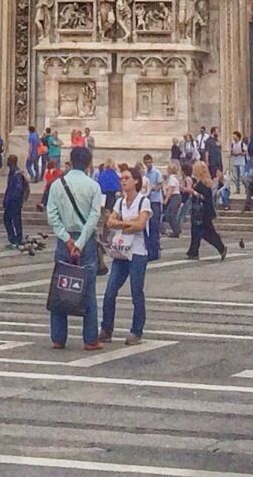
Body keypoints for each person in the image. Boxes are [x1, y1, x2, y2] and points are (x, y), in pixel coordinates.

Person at [45, 143, 105, 351]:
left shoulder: (56, 185)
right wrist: (79, 243)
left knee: (61, 287)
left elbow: (51, 215)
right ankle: (90, 339)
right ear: (88, 164)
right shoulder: (93, 187)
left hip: (64, 241)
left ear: (70, 162)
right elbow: (94, 217)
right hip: (85, 242)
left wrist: (66, 239)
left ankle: (58, 338)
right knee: (87, 289)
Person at [100, 170, 153, 342]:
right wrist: (127, 224)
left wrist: (121, 224)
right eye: (121, 179)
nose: (123, 181)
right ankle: (106, 329)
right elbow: (110, 222)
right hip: (121, 252)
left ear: (135, 181)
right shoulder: (120, 202)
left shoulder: (143, 202)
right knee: (109, 292)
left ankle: (137, 331)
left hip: (138, 251)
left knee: (136, 292)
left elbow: (140, 225)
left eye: (126, 178)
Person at [185, 158, 226, 262]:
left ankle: (220, 247)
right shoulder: (204, 182)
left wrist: (193, 192)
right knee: (199, 231)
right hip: (204, 211)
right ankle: (193, 251)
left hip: (202, 211)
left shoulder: (202, 184)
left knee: (205, 232)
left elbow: (204, 197)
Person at [0, 155, 27, 248]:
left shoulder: (16, 173)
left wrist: (10, 199)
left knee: (12, 220)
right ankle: (15, 238)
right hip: (13, 201)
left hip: (14, 202)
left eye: (8, 160)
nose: (6, 161)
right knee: (13, 220)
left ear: (11, 162)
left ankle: (16, 239)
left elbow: (16, 188)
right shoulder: (13, 172)